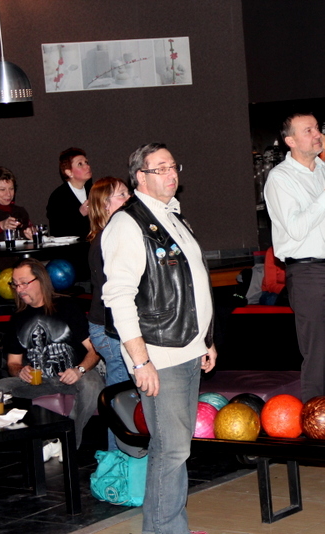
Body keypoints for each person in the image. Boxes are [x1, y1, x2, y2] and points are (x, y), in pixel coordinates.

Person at [102, 143, 215, 534]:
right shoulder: (127, 224)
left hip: (187, 347)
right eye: (160, 168)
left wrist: (206, 339)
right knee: (171, 449)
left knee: (176, 449)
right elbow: (119, 298)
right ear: (141, 177)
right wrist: (140, 361)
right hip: (159, 353)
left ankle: (167, 527)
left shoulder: (172, 217)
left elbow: (192, 284)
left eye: (173, 166)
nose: (171, 174)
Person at [264, 113, 325, 403]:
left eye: (317, 128)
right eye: (308, 130)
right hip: (308, 273)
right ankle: (314, 417)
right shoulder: (280, 178)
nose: (317, 134)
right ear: (291, 141)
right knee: (317, 354)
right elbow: (296, 229)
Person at [0, 258, 104, 449]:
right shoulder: (18, 318)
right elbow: (12, 363)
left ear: (40, 280)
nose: (19, 289)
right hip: (40, 382)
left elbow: (95, 349)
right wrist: (20, 371)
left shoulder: (67, 307)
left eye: (24, 283)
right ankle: (26, 444)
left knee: (92, 383)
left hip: (74, 378)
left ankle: (69, 445)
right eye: (15, 284)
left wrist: (79, 370)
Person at [86, 176, 131, 451]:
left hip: (107, 326)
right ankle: (118, 461)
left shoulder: (107, 236)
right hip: (109, 328)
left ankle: (121, 459)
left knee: (122, 395)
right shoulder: (108, 239)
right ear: (104, 205)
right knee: (120, 398)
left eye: (127, 193)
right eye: (121, 195)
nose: (128, 198)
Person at [47, 147, 93, 238]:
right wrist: (80, 214)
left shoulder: (93, 190)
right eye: (80, 164)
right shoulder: (58, 197)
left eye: (86, 162)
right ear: (69, 172)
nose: (87, 166)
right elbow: (57, 231)